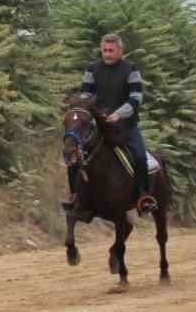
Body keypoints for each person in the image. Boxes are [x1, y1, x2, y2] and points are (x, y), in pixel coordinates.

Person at [67, 32, 157, 217]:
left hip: (126, 125)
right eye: (104, 50)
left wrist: (119, 114)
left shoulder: (130, 69)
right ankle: (75, 196)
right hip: (99, 124)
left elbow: (136, 97)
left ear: (120, 51)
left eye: (111, 50)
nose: (107, 54)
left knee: (140, 156)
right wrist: (88, 110)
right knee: (74, 154)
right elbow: (86, 94)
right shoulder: (92, 68)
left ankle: (143, 196)